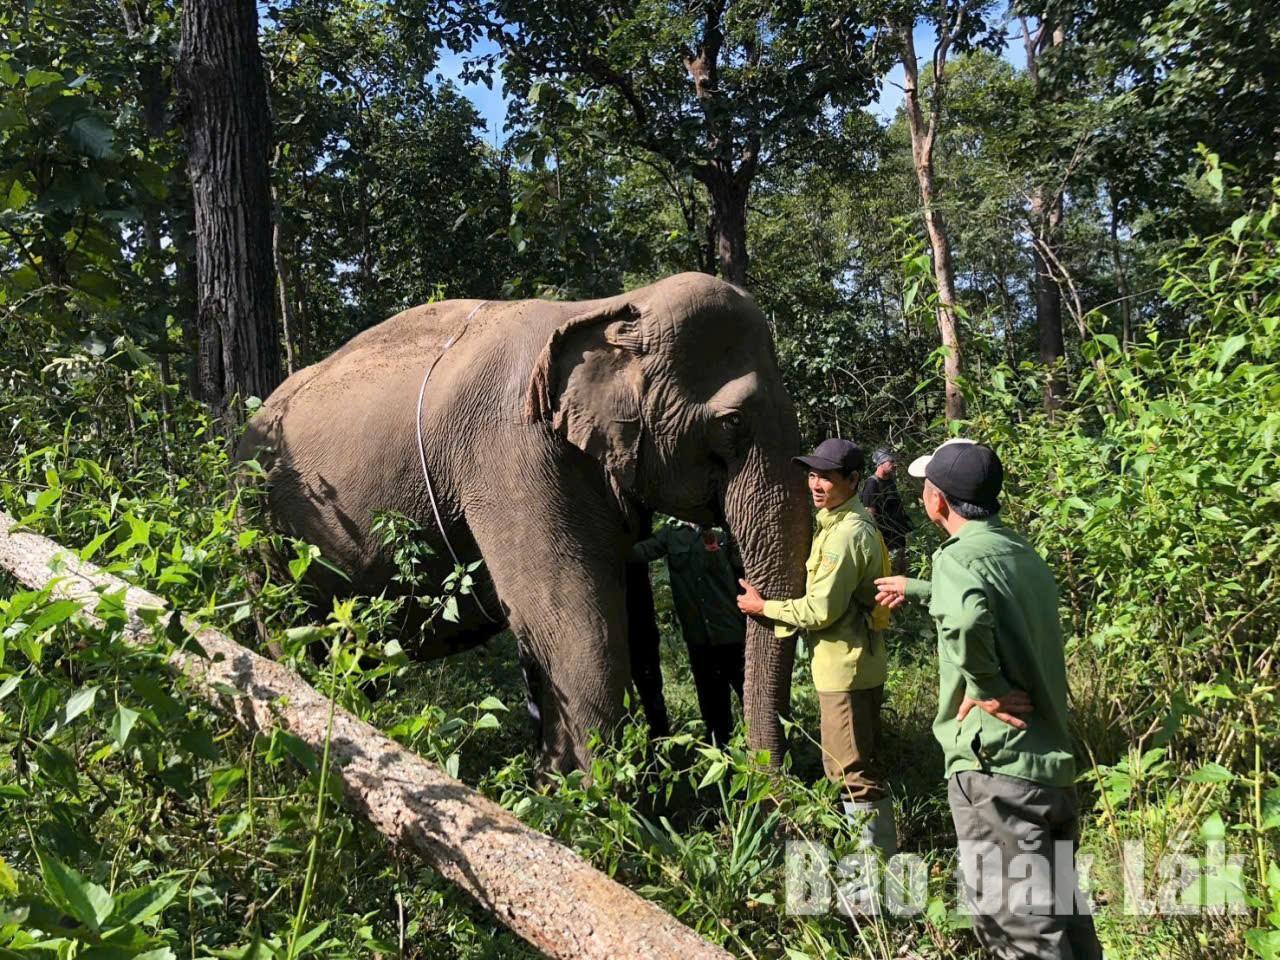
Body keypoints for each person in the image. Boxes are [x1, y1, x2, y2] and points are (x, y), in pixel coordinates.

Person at [874, 439, 1103, 959]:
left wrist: (987, 687)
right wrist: (920, 588)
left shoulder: (957, 559)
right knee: (1064, 917)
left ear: (937, 500)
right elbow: (991, 597)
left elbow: (968, 616)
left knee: (1018, 928)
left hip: (996, 768)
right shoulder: (1019, 551)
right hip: (1048, 768)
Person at [737, 438, 895, 857]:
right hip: (853, 664)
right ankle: (872, 862)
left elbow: (820, 609)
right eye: (812, 474)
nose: (816, 484)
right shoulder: (836, 523)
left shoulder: (846, 535)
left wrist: (762, 607)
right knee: (856, 764)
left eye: (827, 476)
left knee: (850, 772)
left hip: (847, 669)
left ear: (854, 480)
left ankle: (873, 868)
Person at [631, 520, 746, 744]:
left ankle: (761, 758)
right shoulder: (671, 533)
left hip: (733, 637)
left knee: (751, 700)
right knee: (713, 710)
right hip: (700, 641)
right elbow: (639, 552)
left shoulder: (725, 528)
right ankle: (723, 761)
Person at [859, 447, 913, 574]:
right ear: (880, 464)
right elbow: (870, 515)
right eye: (891, 462)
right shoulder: (872, 484)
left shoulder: (890, 482)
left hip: (898, 539)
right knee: (890, 575)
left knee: (901, 574)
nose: (895, 465)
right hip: (886, 543)